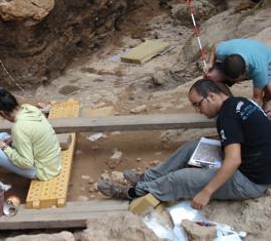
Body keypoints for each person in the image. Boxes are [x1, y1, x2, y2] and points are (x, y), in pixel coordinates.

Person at [97, 79, 271, 210]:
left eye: (197, 104)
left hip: (251, 181)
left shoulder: (227, 116)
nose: (197, 111)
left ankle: (134, 192)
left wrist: (206, 192)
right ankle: (148, 178)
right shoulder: (241, 102)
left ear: (211, 96)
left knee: (182, 178)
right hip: (256, 163)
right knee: (194, 146)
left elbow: (233, 161)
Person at [0, 89, 62, 204]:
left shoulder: (19, 128)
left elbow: (26, 163)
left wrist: (4, 148)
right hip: (52, 161)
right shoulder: (29, 109)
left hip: (43, 170)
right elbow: (32, 132)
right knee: (3, 137)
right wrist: (12, 139)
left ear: (2, 113)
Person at [205, 38, 271, 113]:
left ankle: (266, 102)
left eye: (236, 80)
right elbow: (215, 46)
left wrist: (245, 116)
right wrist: (210, 63)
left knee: (270, 90)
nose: (232, 82)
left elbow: (257, 98)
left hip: (268, 63)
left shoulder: (259, 70)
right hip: (244, 53)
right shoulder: (223, 51)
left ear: (245, 73)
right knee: (210, 76)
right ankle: (232, 102)